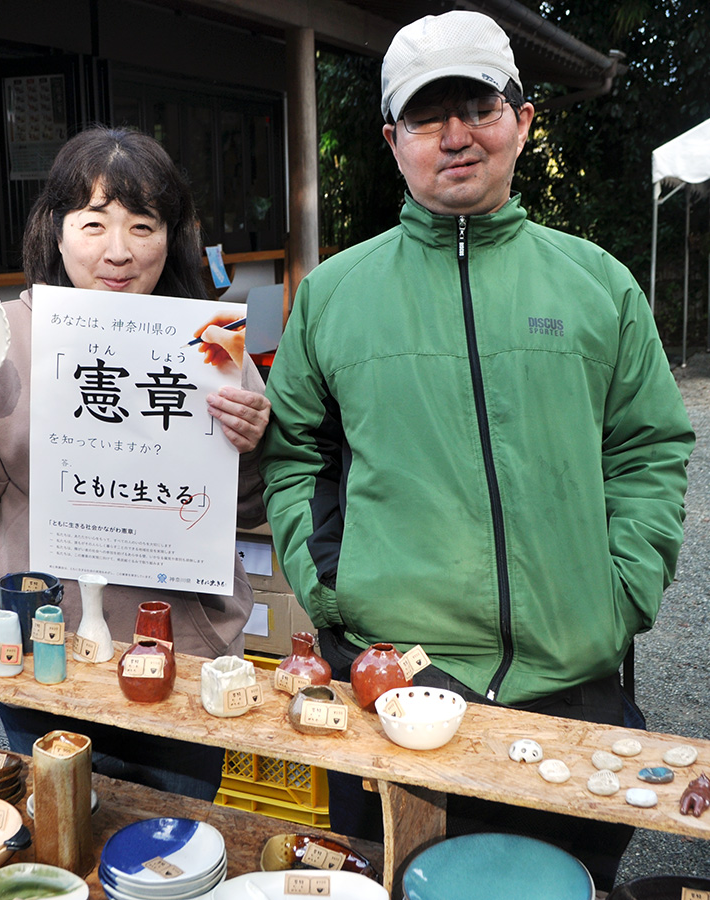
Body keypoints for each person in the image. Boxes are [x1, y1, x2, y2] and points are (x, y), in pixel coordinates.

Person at [259, 10, 694, 891]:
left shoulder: (599, 284)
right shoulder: (335, 294)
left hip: (573, 679)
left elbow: (649, 451)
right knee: (394, 876)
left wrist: (619, 591)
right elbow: (293, 450)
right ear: (392, 139)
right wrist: (330, 587)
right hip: (394, 684)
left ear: (523, 121)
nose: (456, 137)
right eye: (427, 115)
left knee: (567, 882)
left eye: (479, 108)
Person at [0, 125, 270, 800]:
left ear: (170, 235)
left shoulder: (208, 342)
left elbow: (251, 505)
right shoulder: (1, 337)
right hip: (43, 648)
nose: (118, 251)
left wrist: (254, 445)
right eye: (93, 223)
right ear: (56, 230)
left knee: (174, 844)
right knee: (57, 829)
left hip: (180, 649)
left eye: (143, 225)